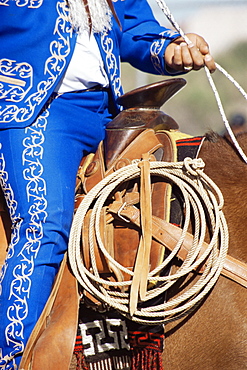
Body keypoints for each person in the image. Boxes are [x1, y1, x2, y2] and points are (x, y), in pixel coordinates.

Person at [0, 0, 216, 368]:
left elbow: (135, 29)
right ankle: (12, 357)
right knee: (45, 224)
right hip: (34, 108)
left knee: (164, 198)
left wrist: (171, 49)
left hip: (108, 110)